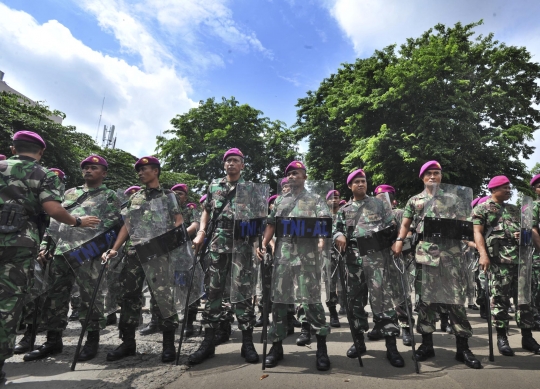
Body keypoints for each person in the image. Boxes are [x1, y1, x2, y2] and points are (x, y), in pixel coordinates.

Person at [0, 131, 99, 381]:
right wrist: (77, 221)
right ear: (40, 152)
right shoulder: (44, 175)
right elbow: (53, 210)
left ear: (13, 148)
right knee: (8, 302)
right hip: (19, 243)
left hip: (76, 252)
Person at [24, 155, 122, 362]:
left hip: (88, 252)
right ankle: (53, 341)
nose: (88, 170)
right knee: (56, 298)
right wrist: (45, 245)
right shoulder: (69, 193)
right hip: (61, 252)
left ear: (103, 173)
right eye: (86, 167)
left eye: (94, 168)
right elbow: (55, 221)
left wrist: (108, 249)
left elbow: (115, 226)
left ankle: (91, 341)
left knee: (90, 298)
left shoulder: (111, 196)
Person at [392, 160, 481, 369]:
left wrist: (474, 243)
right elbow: (405, 223)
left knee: (456, 301)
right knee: (426, 301)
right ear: (422, 177)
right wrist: (398, 241)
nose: (433, 176)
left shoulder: (454, 199)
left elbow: (465, 223)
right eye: (429, 173)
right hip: (427, 255)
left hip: (452, 255)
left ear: (441, 176)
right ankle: (427, 344)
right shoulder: (415, 201)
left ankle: (463, 348)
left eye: (437, 173)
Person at [102, 156, 183, 363]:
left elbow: (178, 222)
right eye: (138, 170)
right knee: (129, 296)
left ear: (155, 171)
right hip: (134, 254)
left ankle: (168, 344)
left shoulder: (168, 196)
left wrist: (171, 245)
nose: (140, 173)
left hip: (159, 254)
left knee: (162, 297)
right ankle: (128, 343)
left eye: (144, 169)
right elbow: (127, 225)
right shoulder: (135, 198)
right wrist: (115, 248)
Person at [258, 161, 332, 371]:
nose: (292, 177)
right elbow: (271, 224)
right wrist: (263, 244)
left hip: (307, 257)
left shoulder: (316, 199)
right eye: (289, 174)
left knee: (311, 302)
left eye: (296, 173)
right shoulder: (280, 200)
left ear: (304, 177)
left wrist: (320, 240)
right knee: (279, 301)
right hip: (283, 256)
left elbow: (325, 221)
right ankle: (276, 347)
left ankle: (321, 348)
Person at [189, 148, 258, 365]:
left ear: (242, 165)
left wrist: (259, 244)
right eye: (228, 160)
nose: (231, 164)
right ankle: (208, 342)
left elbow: (260, 217)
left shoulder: (252, 189)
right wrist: (201, 232)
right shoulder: (214, 186)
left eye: (235, 160)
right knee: (213, 291)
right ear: (224, 165)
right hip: (218, 243)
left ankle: (247, 343)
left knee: (243, 291)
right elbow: (207, 211)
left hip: (242, 245)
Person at [334, 170, 404, 367]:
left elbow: (392, 225)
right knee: (355, 303)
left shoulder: (380, 203)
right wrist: (338, 234)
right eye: (356, 182)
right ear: (350, 186)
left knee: (383, 302)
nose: (360, 184)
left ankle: (392, 346)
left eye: (363, 181)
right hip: (354, 264)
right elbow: (335, 228)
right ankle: (358, 342)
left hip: (378, 261)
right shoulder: (344, 210)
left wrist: (395, 241)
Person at [473, 175, 540, 356]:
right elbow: (477, 233)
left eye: (510, 188)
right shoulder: (483, 209)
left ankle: (527, 336)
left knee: (524, 301)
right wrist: (483, 255)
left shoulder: (515, 209)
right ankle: (502, 337)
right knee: (500, 301)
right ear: (494, 189)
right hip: (498, 263)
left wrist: (522, 235)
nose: (509, 191)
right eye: (505, 188)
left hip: (520, 262)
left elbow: (527, 232)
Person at [530, 174, 540, 331]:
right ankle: (536, 315)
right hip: (538, 255)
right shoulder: (534, 207)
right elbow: (533, 229)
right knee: (537, 287)